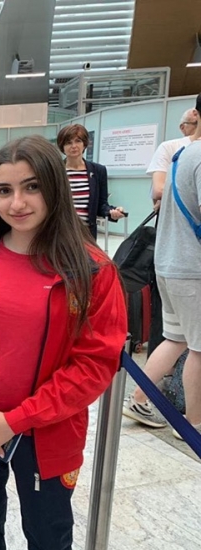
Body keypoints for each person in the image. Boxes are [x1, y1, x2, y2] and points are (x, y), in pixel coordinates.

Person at [0, 134, 127, 550]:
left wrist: (14, 421)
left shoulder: (91, 271)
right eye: (4, 190)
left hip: (47, 432)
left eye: (31, 187)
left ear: (53, 187)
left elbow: (93, 365)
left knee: (48, 535)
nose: (17, 203)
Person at [124, 94, 201, 438]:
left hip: (171, 263)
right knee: (199, 348)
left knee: (176, 339)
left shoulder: (182, 154)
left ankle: (139, 399)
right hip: (193, 268)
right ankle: (194, 426)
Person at [57, 124, 126, 239]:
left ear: (84, 144)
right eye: (68, 143)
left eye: (78, 141)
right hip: (61, 235)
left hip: (87, 235)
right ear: (62, 146)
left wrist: (112, 211)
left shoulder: (98, 171)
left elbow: (101, 204)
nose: (73, 146)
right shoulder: (56, 171)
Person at [148, 109, 200, 207]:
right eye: (195, 123)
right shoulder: (169, 147)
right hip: (178, 214)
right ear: (183, 128)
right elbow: (158, 190)